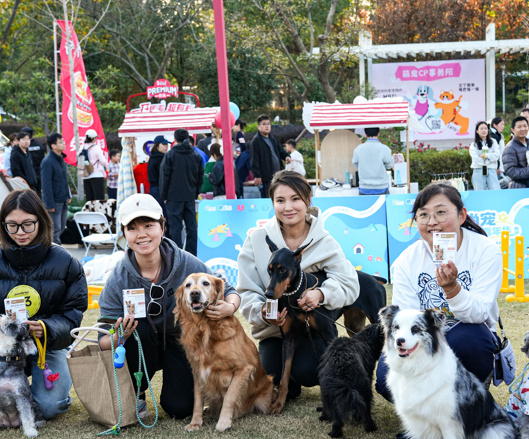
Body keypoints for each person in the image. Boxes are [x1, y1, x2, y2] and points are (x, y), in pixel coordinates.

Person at [96, 194, 240, 420]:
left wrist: (229, 308)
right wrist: (117, 336)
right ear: (124, 233)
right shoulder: (119, 277)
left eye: (148, 225)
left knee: (180, 409)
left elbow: (229, 290)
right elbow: (101, 340)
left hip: (180, 342)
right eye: (132, 227)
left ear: (162, 227)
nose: (142, 234)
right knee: (137, 326)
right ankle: (136, 394)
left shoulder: (186, 263)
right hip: (140, 344)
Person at [0, 189, 88, 420]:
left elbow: (72, 315)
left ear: (41, 221)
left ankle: (50, 396)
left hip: (48, 346)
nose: (20, 232)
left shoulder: (66, 262)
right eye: (12, 225)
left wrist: (46, 327)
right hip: (1, 345)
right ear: (2, 225)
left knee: (49, 408)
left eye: (28, 224)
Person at [237, 171, 359, 403]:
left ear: (308, 200)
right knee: (271, 376)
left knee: (309, 372)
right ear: (272, 203)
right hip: (275, 333)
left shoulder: (324, 240)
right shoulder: (256, 239)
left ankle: (302, 372)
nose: (288, 207)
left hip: (311, 330)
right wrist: (262, 313)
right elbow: (246, 291)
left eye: (295, 199)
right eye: (280, 200)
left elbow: (349, 282)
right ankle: (288, 382)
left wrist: (322, 293)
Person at [375, 183, 502, 402]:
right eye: (423, 215)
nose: (432, 222)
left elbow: (479, 313)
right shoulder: (407, 260)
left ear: (462, 215)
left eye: (441, 212)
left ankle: (466, 401)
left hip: (467, 336)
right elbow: (405, 318)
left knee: (472, 340)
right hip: (423, 341)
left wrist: (452, 289)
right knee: (385, 379)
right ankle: (428, 411)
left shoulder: (485, 250)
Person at [159, 128, 203, 256]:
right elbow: (200, 176)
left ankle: (177, 255)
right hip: (190, 195)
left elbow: (164, 176)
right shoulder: (195, 155)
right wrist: (195, 192)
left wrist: (164, 195)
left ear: (175, 139)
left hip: (173, 196)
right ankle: (192, 255)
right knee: (191, 227)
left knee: (175, 227)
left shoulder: (170, 154)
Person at [40, 133, 72, 244]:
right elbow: (46, 184)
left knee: (62, 227)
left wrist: (68, 195)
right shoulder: (48, 161)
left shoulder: (61, 159)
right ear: (53, 146)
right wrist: (49, 204)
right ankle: (55, 254)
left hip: (62, 199)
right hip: (54, 201)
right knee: (55, 230)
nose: (63, 144)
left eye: (63, 141)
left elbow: (64, 179)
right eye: (61, 142)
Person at [249, 115, 288, 197]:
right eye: (264, 124)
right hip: (266, 178)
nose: (267, 126)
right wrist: (257, 175)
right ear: (258, 126)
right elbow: (254, 160)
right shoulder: (256, 141)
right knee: (268, 198)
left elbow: (280, 150)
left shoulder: (272, 138)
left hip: (278, 176)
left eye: (268, 124)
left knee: (278, 197)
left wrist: (286, 157)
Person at [502, 116, 529, 188]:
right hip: (519, 187)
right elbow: (511, 171)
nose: (523, 129)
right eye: (519, 127)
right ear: (513, 130)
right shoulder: (510, 148)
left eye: (525, 126)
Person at [351, 127, 394, 195]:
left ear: (365, 134)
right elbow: (389, 165)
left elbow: (355, 164)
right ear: (378, 134)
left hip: (364, 187)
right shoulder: (385, 148)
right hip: (381, 187)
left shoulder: (358, 149)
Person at [468, 121, 500, 190]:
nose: (484, 130)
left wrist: (485, 156)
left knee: (495, 192)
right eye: (481, 129)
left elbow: (497, 155)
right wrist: (490, 160)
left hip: (491, 170)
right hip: (478, 170)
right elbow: (476, 159)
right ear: (477, 131)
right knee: (479, 193)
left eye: (485, 128)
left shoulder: (493, 142)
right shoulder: (473, 145)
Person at [81, 130, 107, 202]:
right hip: (96, 174)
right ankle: (99, 213)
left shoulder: (82, 148)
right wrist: (108, 167)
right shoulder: (96, 147)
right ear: (94, 138)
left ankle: (90, 213)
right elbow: (103, 161)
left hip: (85, 175)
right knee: (99, 199)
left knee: (89, 199)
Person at [147, 137, 169, 207]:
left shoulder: (152, 157)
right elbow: (165, 176)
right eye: (164, 144)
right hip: (160, 189)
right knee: (162, 215)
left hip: (154, 189)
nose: (166, 146)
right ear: (157, 146)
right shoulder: (160, 159)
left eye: (167, 144)